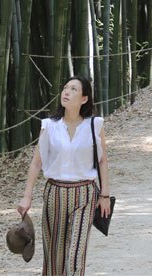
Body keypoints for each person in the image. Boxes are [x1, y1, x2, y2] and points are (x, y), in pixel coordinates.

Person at [17, 76, 111, 275]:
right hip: (54, 194)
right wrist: (27, 196)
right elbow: (36, 163)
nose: (66, 92)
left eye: (74, 89)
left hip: (85, 194)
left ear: (84, 98)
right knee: (54, 256)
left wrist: (104, 196)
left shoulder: (95, 125)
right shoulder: (49, 126)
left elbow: (102, 160)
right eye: (65, 88)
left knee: (75, 255)